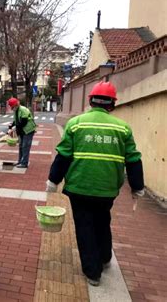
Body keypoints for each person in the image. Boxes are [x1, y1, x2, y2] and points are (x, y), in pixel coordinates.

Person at [45, 81, 144, 286]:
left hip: (79, 187)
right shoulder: (123, 128)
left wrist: (53, 180)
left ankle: (93, 272)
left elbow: (63, 155)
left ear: (90, 100)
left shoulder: (76, 124)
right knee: (102, 220)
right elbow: (133, 159)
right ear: (112, 104)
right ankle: (105, 257)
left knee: (84, 227)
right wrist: (137, 186)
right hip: (107, 189)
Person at [6, 98, 37, 168]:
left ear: (16, 105)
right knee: (21, 146)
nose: (12, 108)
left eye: (12, 107)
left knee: (25, 146)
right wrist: (11, 126)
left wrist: (16, 127)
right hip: (22, 131)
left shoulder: (23, 110)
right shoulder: (16, 111)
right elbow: (16, 121)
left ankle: (24, 163)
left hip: (28, 130)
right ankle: (20, 161)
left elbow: (24, 121)